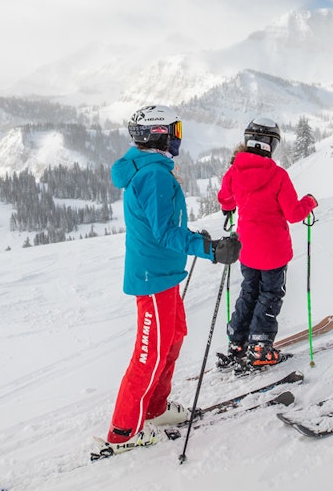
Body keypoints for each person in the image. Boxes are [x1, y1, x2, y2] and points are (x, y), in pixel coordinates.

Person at [103, 105, 241, 456]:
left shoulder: (151, 169)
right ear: (157, 133)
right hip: (153, 279)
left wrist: (199, 240)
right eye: (173, 128)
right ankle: (123, 431)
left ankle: (156, 408)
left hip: (162, 274)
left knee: (173, 338)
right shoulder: (154, 176)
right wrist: (208, 248)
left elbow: (163, 228)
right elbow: (165, 233)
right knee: (149, 355)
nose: (178, 135)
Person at [216, 118, 317, 370]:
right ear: (271, 144)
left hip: (247, 249)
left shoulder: (233, 172)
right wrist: (310, 202)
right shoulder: (278, 175)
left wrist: (230, 208)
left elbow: (226, 200)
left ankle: (237, 341)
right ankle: (260, 345)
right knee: (270, 294)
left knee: (249, 291)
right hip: (273, 251)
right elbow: (294, 214)